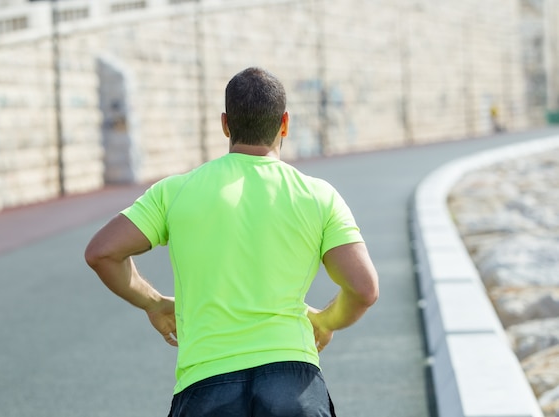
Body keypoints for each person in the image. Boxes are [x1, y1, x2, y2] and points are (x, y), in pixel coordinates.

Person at [85, 67, 379, 417]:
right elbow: (364, 289)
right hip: (293, 382)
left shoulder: (175, 191)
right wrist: (327, 321)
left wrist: (154, 303)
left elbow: (102, 252)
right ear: (285, 124)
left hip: (205, 384)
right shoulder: (319, 196)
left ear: (225, 124)